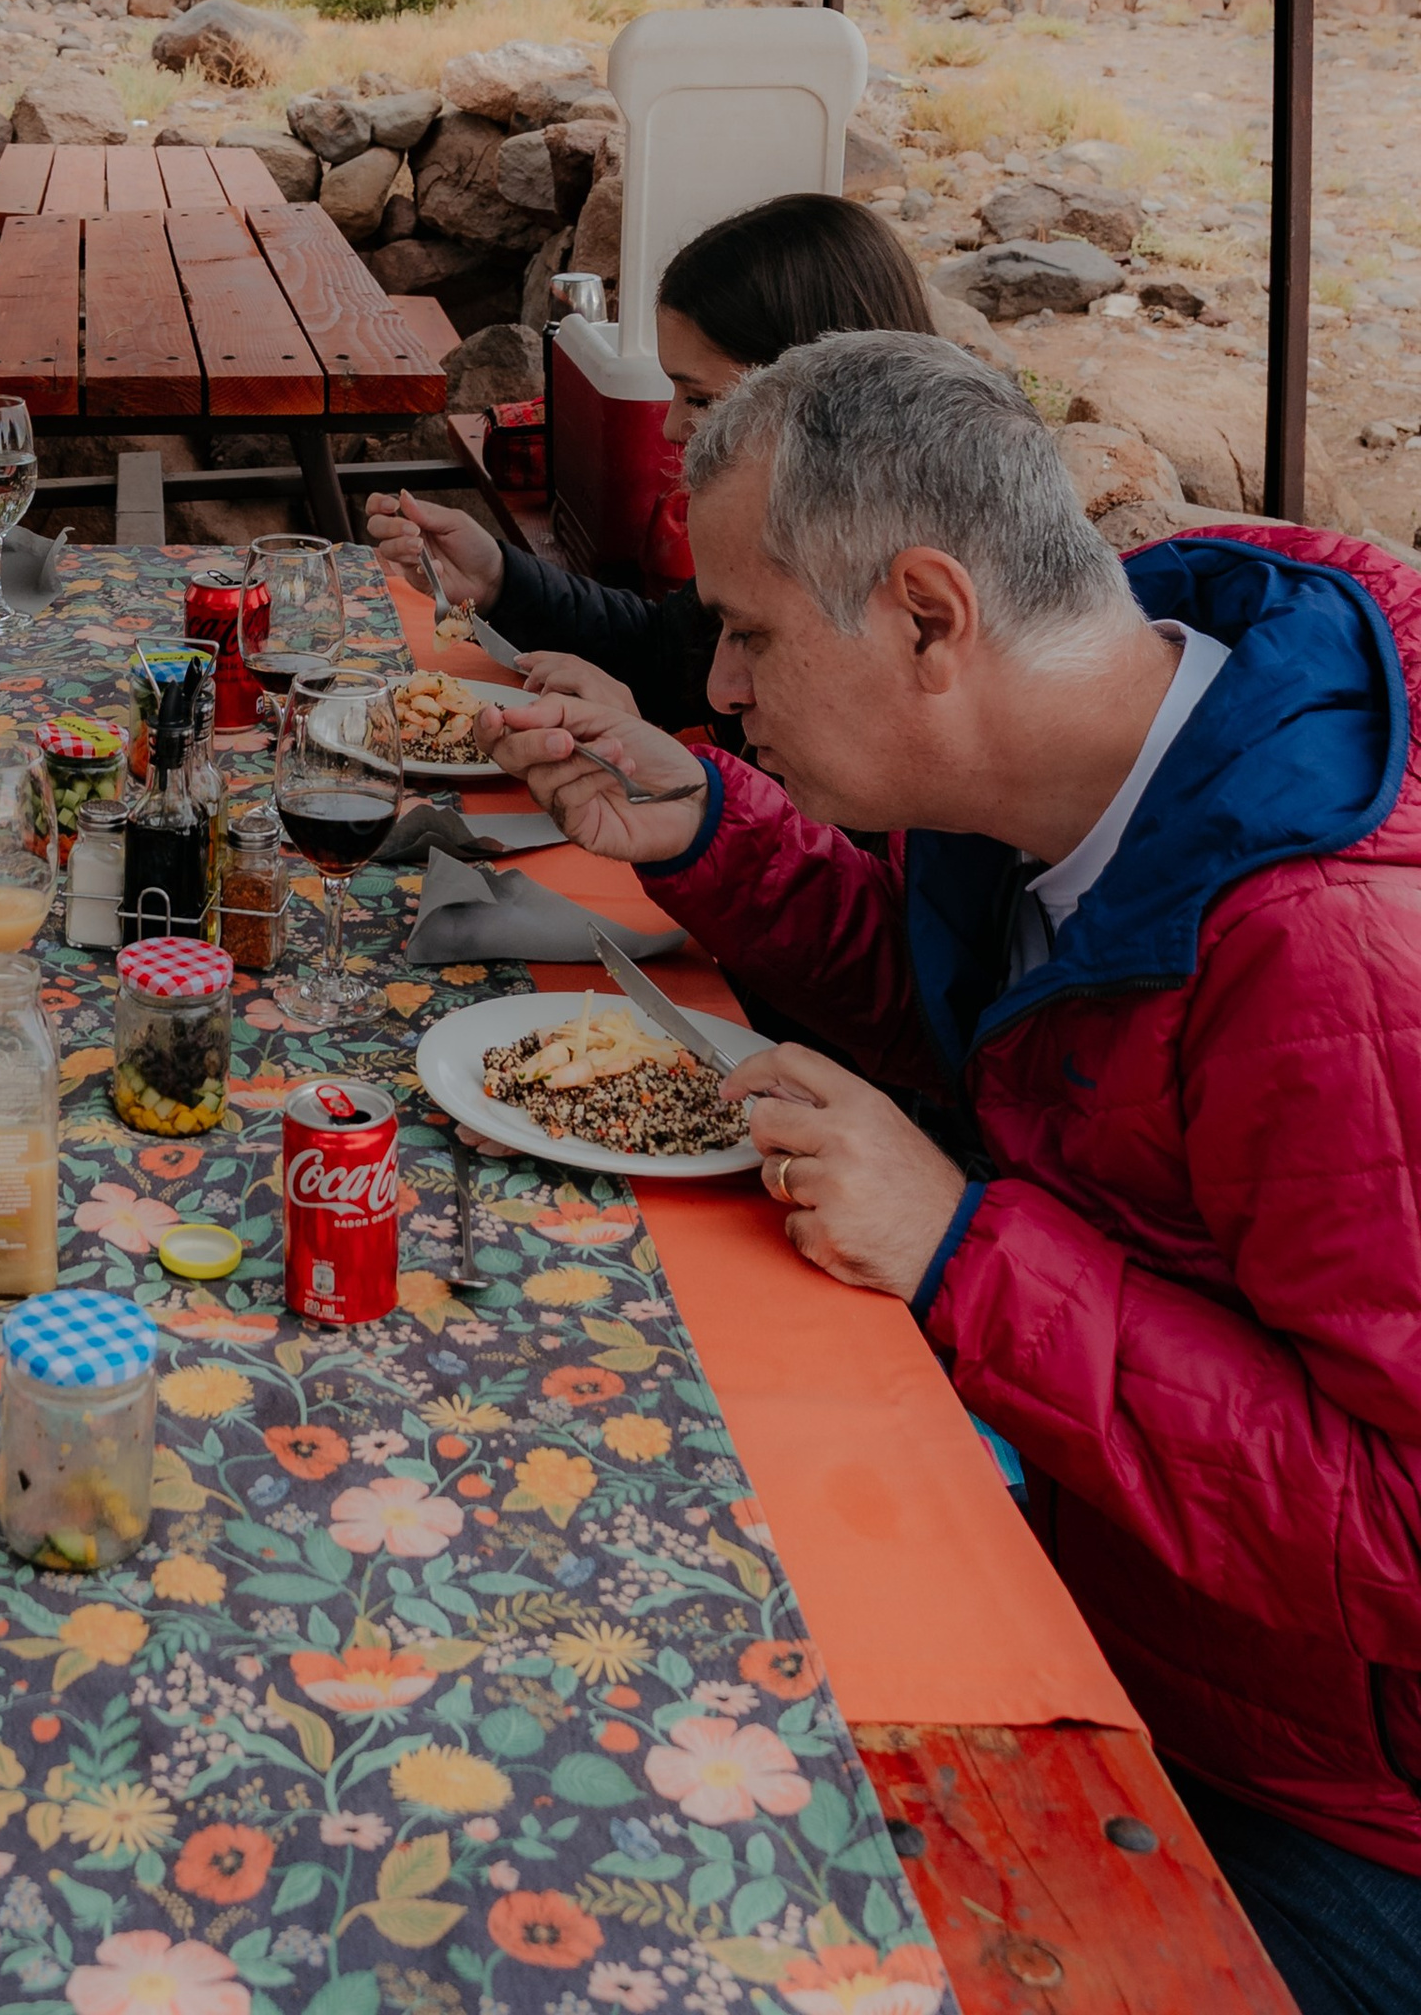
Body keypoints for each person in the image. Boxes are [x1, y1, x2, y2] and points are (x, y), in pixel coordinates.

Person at [490, 329, 1421, 2015]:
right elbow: (990, 1032)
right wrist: (711, 826)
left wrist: (965, 1254)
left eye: (754, 638)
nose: (720, 690)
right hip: (1100, 1577)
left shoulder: (1336, 954)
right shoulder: (1069, 743)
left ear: (931, 614)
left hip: (1336, 1803)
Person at [367, 187, 937, 727]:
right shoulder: (796, 527)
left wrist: (665, 768)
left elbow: (828, 820)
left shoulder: (896, 598)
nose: (669, 426)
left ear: (820, 393)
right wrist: (498, 578)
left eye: (703, 398)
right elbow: (669, 648)